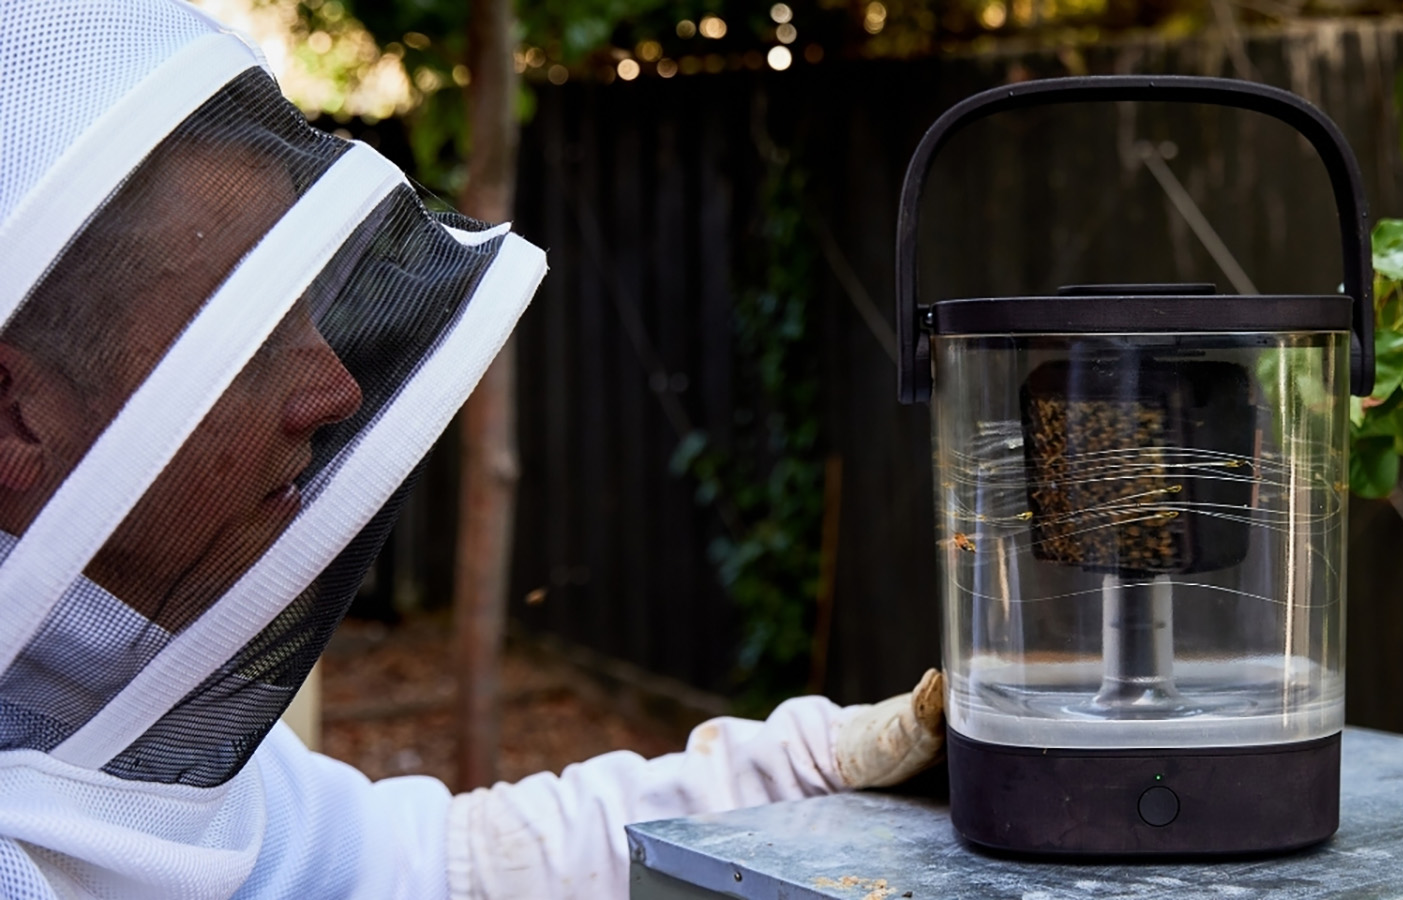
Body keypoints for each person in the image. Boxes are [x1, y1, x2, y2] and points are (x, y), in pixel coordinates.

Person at [0, 2, 944, 898]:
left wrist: (811, 767)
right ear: (14, 414)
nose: (337, 392)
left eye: (306, 309)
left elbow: (431, 867)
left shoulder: (100, 695)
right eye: (246, 334)